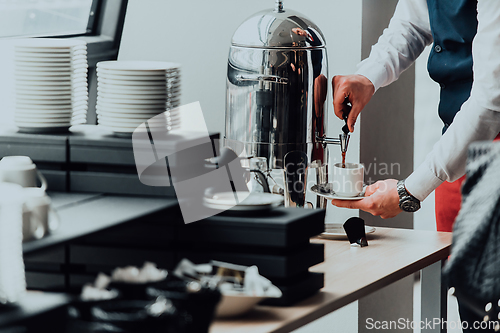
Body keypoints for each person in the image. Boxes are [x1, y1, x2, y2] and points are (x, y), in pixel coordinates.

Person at [330, 1, 500, 331]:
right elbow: (412, 25)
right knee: (475, 313)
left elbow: (489, 106)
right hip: (460, 153)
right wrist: (368, 76)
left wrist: (409, 192)